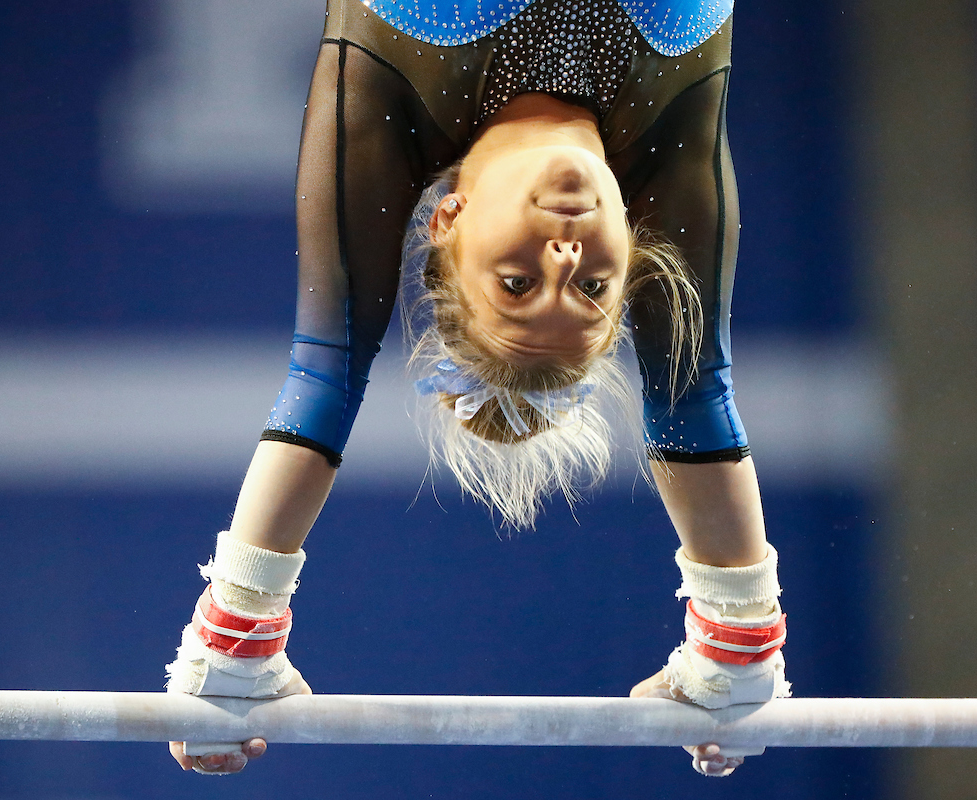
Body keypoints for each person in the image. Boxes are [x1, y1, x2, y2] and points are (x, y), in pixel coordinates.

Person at [165, 0, 790, 778]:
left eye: (518, 283)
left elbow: (324, 369)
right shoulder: (670, 127)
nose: (564, 262)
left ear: (448, 220)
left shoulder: (397, 70)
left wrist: (236, 638)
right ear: (634, 241)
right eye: (595, 287)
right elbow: (693, 391)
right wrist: (736, 654)